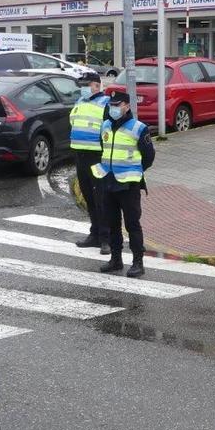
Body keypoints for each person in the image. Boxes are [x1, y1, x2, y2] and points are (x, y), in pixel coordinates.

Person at [93, 91, 155, 278]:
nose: (113, 108)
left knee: (132, 224)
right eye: (111, 105)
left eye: (117, 105)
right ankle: (116, 259)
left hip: (129, 185)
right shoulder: (105, 125)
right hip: (108, 182)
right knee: (112, 223)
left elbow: (149, 157)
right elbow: (103, 150)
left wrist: (135, 171)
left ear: (127, 106)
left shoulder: (138, 128)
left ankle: (138, 262)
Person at [70, 72, 111, 254]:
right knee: (88, 197)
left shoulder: (106, 104)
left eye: (86, 85)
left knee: (101, 198)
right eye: (82, 86)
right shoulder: (80, 102)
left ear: (96, 86)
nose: (83, 89)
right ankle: (94, 234)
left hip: (97, 157)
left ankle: (106, 239)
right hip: (81, 156)